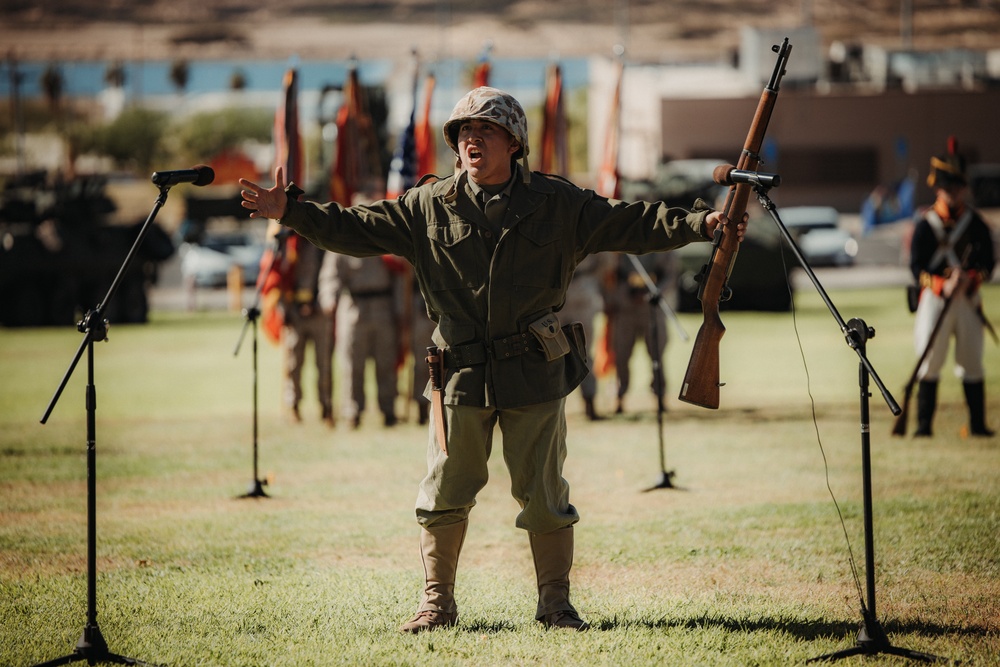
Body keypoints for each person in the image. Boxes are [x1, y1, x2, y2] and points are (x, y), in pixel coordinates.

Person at [240, 86, 745, 633]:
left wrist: (702, 225)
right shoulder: (427, 205)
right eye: (463, 132)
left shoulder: (558, 203)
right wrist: (290, 210)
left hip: (534, 367)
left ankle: (556, 605)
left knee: (546, 496)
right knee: (444, 494)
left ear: (514, 142)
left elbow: (631, 222)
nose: (471, 140)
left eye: (485, 130)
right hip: (458, 374)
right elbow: (354, 229)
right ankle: (437, 603)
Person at [909, 138, 995, 437]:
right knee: (930, 360)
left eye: (957, 187)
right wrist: (942, 284)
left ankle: (978, 426)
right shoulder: (925, 225)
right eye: (949, 188)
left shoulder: (976, 224)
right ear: (938, 188)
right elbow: (917, 268)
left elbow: (988, 264)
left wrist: (971, 279)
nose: (954, 193)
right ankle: (923, 427)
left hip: (967, 299)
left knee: (972, 360)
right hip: (936, 299)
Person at [322, 253, 402, 428]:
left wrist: (401, 308)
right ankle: (352, 411)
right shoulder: (342, 238)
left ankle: (389, 410)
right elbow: (330, 275)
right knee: (352, 364)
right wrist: (329, 299)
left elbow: (399, 273)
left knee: (386, 363)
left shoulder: (384, 236)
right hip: (353, 306)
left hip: (383, 306)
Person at [605, 251, 679, 415]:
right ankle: (619, 397)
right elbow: (609, 274)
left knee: (657, 354)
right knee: (621, 355)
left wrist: (654, 293)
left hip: (653, 308)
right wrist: (616, 297)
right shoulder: (620, 242)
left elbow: (670, 275)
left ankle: (660, 397)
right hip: (624, 308)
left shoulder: (664, 242)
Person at [559, 253, 614, 420]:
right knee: (551, 353)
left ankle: (590, 404)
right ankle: (552, 408)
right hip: (555, 293)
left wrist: (591, 279)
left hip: (583, 291)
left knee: (584, 353)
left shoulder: (588, 227)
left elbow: (606, 262)